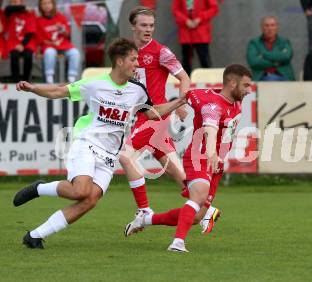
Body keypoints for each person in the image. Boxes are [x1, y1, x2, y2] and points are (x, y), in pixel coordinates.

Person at [12, 38, 186, 249]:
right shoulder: (95, 84)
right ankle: (40, 188)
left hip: (109, 155)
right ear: (120, 61)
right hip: (87, 142)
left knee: (90, 200)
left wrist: (180, 101)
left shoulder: (138, 90)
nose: (137, 64)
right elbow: (59, 91)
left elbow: (151, 113)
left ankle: (35, 236)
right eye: (133, 59)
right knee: (80, 191)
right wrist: (33, 88)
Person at [129, 64, 252, 252]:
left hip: (216, 163)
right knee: (199, 195)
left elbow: (191, 95)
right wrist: (211, 153)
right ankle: (177, 243)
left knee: (196, 216)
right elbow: (210, 129)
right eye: (245, 86)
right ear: (232, 83)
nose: (248, 91)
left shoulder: (223, 98)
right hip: (200, 157)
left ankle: (147, 219)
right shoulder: (213, 106)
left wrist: (182, 102)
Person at [122, 7, 221, 236]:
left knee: (126, 156)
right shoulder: (128, 52)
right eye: (143, 25)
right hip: (141, 116)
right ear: (133, 26)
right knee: (179, 174)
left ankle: (144, 211)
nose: (148, 29)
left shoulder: (161, 52)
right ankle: (207, 209)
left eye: (151, 25)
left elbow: (184, 77)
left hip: (154, 116)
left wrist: (183, 103)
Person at [36, 0, 80, 83]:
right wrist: (51, 43)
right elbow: (39, 39)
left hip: (63, 45)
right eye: (44, 4)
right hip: (49, 46)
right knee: (50, 52)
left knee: (75, 52)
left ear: (53, 4)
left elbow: (67, 34)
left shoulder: (60, 17)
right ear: (40, 6)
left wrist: (62, 30)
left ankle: (72, 78)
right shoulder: (38, 20)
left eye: (49, 3)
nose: (46, 6)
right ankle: (49, 78)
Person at [171, 0, 219, 74]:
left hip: (201, 32)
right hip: (186, 32)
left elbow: (214, 8)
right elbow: (175, 10)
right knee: (186, 61)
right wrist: (185, 20)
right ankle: (186, 83)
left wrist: (200, 18)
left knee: (204, 60)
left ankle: (208, 81)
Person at [246, 16, 295, 81]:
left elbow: (286, 56)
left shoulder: (284, 42)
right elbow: (253, 62)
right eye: (266, 25)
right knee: (271, 79)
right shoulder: (254, 43)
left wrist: (263, 54)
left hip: (284, 76)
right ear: (261, 27)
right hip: (262, 77)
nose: (270, 28)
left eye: (272, 25)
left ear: (277, 27)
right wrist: (276, 62)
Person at [4, 0, 37, 82]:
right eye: (12, 2)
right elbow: (8, 8)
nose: (13, 4)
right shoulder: (10, 12)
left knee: (28, 56)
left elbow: (30, 31)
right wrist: (24, 7)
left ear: (21, 2)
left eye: (16, 2)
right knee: (14, 56)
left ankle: (26, 80)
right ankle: (15, 80)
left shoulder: (30, 13)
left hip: (27, 42)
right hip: (13, 42)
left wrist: (22, 44)